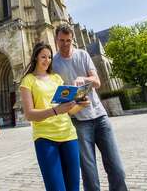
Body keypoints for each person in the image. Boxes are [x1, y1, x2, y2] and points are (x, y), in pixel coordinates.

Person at [53, 24, 128, 191]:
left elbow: (98, 81)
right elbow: (57, 95)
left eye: (68, 40)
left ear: (73, 39)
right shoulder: (54, 64)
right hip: (78, 121)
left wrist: (84, 79)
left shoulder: (83, 54)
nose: (65, 44)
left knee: (117, 168)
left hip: (100, 117)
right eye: (61, 41)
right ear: (56, 39)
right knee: (89, 172)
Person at [20, 42, 88, 191]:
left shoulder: (57, 78)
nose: (47, 60)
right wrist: (56, 110)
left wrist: (80, 105)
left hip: (69, 135)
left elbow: (68, 111)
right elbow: (29, 114)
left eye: (50, 57)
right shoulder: (28, 80)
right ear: (36, 58)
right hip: (45, 138)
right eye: (43, 56)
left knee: (74, 188)